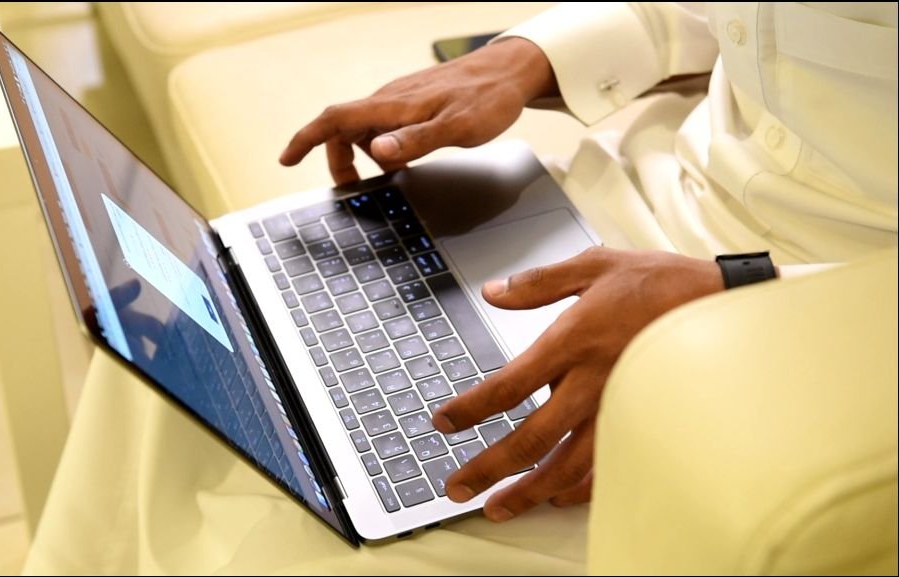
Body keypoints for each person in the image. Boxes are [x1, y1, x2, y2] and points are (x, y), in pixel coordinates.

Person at [279, 2, 898, 524]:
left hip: (827, 346)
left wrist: (734, 294)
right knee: (306, 321)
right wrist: (523, 59)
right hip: (614, 204)